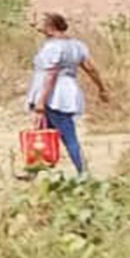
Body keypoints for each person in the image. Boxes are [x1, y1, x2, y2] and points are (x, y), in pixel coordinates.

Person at [27, 12, 110, 175]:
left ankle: (83, 172)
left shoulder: (53, 47)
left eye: (44, 25)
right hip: (68, 90)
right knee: (42, 132)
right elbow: (90, 69)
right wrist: (101, 88)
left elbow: (50, 74)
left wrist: (41, 101)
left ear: (51, 28)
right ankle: (35, 170)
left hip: (54, 94)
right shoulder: (77, 45)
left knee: (67, 135)